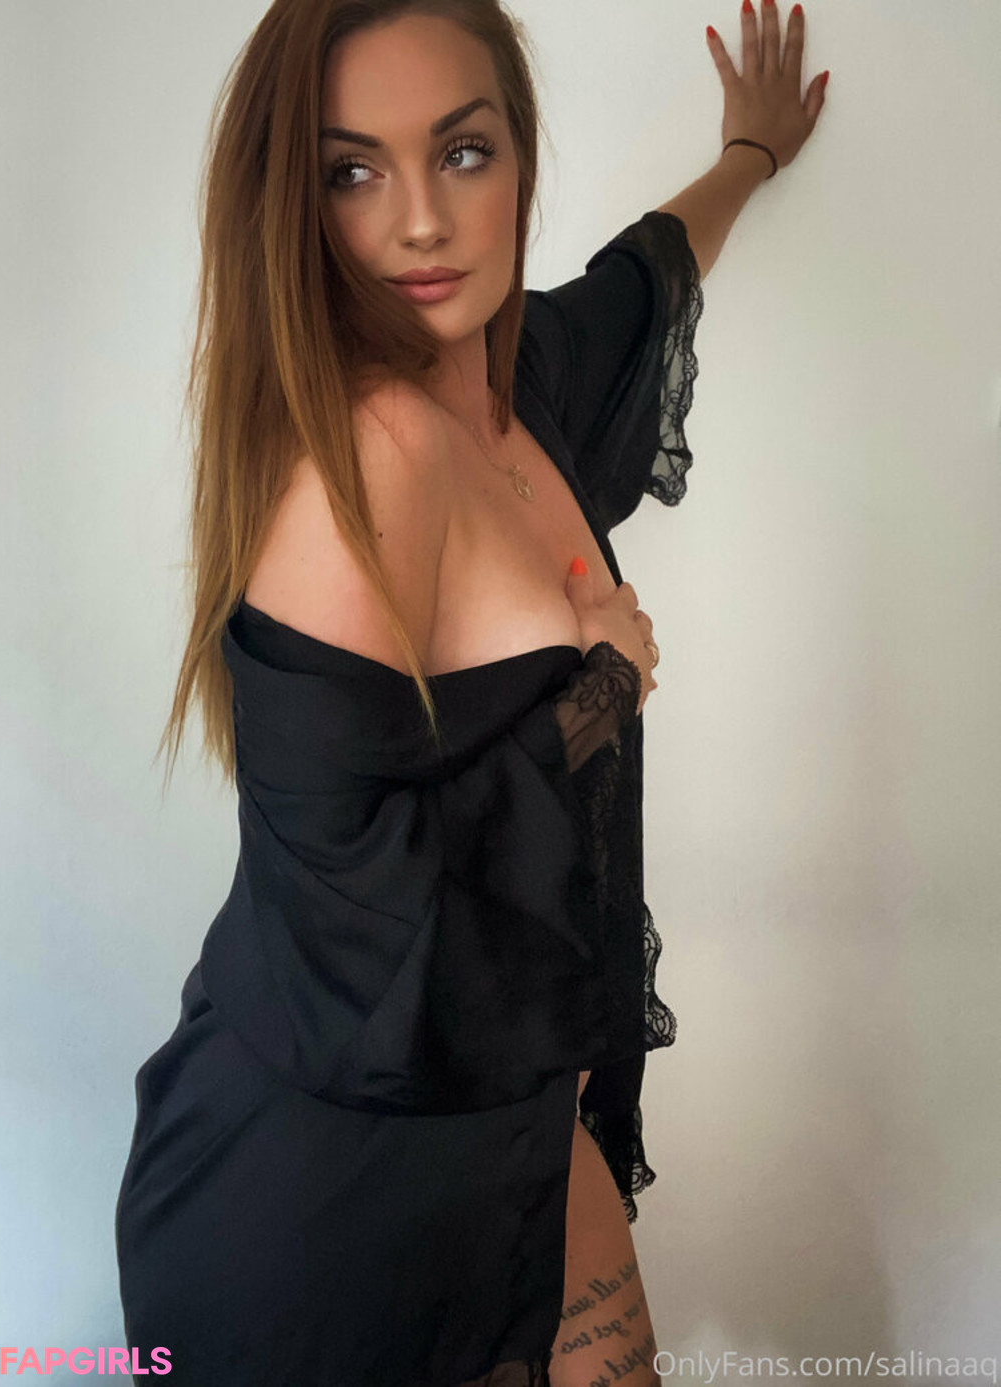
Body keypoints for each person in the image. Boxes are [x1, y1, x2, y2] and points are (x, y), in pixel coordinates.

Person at [114, 2, 826, 1383]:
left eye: (462, 152)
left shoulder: (517, 382)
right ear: (293, 202)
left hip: (508, 1101)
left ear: (518, 156)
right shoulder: (373, 456)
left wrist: (747, 156)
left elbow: (645, 277)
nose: (424, 222)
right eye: (353, 170)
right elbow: (361, 912)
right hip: (332, 1191)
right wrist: (607, 682)